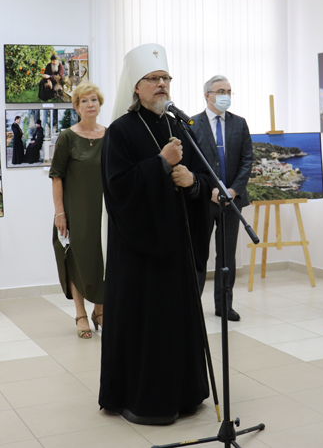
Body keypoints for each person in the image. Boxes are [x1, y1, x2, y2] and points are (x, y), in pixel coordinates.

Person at [99, 43, 212, 425]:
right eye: (153, 78)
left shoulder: (179, 126)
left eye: (166, 78)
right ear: (136, 86)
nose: (162, 84)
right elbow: (118, 189)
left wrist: (192, 182)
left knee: (177, 322)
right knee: (147, 326)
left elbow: (201, 178)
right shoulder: (120, 131)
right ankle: (142, 398)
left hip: (176, 247)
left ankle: (184, 394)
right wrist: (161, 163)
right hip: (140, 253)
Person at [191, 75, 252, 322]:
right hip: (202, 201)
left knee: (227, 257)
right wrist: (210, 190)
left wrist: (233, 190)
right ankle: (193, 305)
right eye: (220, 91)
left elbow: (247, 160)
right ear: (207, 95)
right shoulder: (192, 124)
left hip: (232, 201)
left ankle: (224, 305)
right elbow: (190, 163)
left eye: (228, 91)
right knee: (198, 254)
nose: (225, 95)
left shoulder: (240, 124)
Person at [50, 82, 106, 339]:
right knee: (76, 260)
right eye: (84, 101)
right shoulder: (67, 137)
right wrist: (59, 213)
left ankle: (100, 310)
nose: (90, 104)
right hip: (76, 211)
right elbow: (57, 176)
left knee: (103, 259)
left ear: (100, 104)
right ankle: (81, 313)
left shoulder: (110, 135)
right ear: (76, 107)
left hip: (104, 211)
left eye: (94, 100)